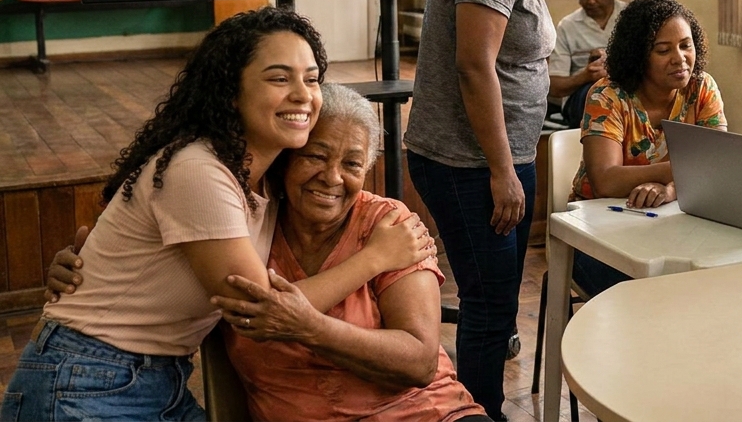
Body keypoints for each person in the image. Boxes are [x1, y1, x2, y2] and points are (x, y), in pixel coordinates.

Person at [4, 8, 431, 421]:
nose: (303, 94)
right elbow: (257, 310)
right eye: (280, 78)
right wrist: (374, 258)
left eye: (312, 79)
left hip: (154, 379)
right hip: (87, 377)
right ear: (231, 89)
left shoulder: (270, 180)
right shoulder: (198, 169)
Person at [46, 84, 491, 421]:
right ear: (286, 159)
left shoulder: (388, 225)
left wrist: (310, 327)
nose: (332, 178)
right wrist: (88, 271)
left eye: (352, 164)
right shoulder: (240, 229)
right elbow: (145, 266)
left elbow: (417, 362)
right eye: (316, 156)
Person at [404, 0, 601, 420]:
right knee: (489, 306)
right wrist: (501, 172)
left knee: (496, 303)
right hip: (469, 163)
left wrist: (574, 84)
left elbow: (523, 70)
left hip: (504, 158)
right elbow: (475, 64)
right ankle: (477, 414)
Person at [568, 0, 726, 294]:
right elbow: (605, 181)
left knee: (715, 280)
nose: (679, 58)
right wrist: (681, 171)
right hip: (595, 230)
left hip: (672, 223)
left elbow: (716, 171)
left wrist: (669, 190)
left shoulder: (702, 88)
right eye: (663, 50)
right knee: (649, 294)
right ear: (639, 56)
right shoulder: (607, 96)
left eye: (686, 45)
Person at [548, 0, 625, 127]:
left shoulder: (630, 17)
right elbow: (554, 87)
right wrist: (586, 75)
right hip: (582, 95)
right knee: (597, 94)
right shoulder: (568, 26)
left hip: (626, 87)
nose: (591, 1)